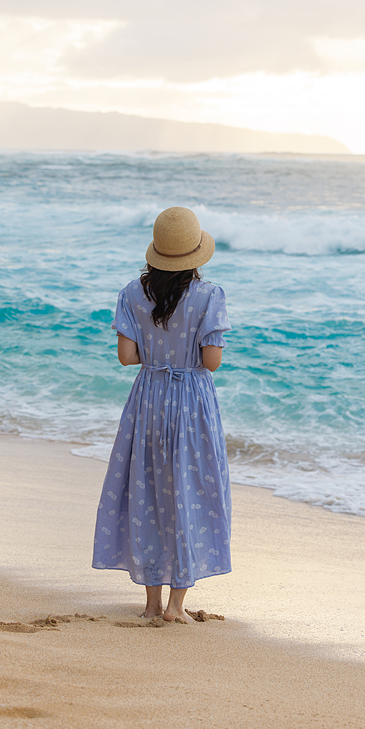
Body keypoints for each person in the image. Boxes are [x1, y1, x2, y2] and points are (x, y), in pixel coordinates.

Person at [93, 206, 231, 623]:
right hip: (191, 402)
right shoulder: (209, 295)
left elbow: (126, 357)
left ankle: (151, 604)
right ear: (195, 254)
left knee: (148, 494)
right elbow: (211, 361)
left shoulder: (132, 293)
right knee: (191, 494)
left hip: (149, 398)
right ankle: (176, 606)